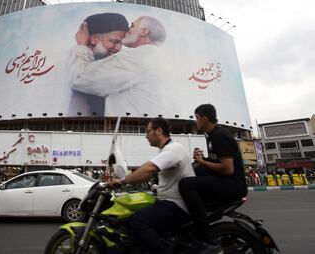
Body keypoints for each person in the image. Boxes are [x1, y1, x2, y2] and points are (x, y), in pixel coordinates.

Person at [109, 117, 195, 254]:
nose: (146, 136)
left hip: (177, 205)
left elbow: (149, 168)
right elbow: (146, 175)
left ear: (159, 131)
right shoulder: (167, 150)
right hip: (169, 202)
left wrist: (122, 181)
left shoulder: (173, 149)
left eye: (148, 131)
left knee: (139, 220)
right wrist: (127, 182)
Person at [179, 104, 247, 254]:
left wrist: (203, 161)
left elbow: (228, 169)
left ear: (204, 118)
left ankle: (207, 238)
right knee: (196, 170)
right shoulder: (212, 135)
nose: (195, 121)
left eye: (197, 117)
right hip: (228, 182)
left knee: (186, 184)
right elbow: (218, 161)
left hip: (233, 185)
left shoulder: (220, 135)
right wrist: (202, 160)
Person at [70, 16, 170, 117]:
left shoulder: (137, 57)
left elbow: (79, 79)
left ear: (143, 31)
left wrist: (81, 46)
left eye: (132, 26)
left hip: (132, 127)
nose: (128, 30)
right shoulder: (160, 58)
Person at [66, 13, 129, 116]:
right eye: (114, 42)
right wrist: (81, 48)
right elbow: (78, 79)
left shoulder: (111, 65)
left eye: (121, 43)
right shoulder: (70, 60)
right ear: (94, 39)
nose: (118, 48)